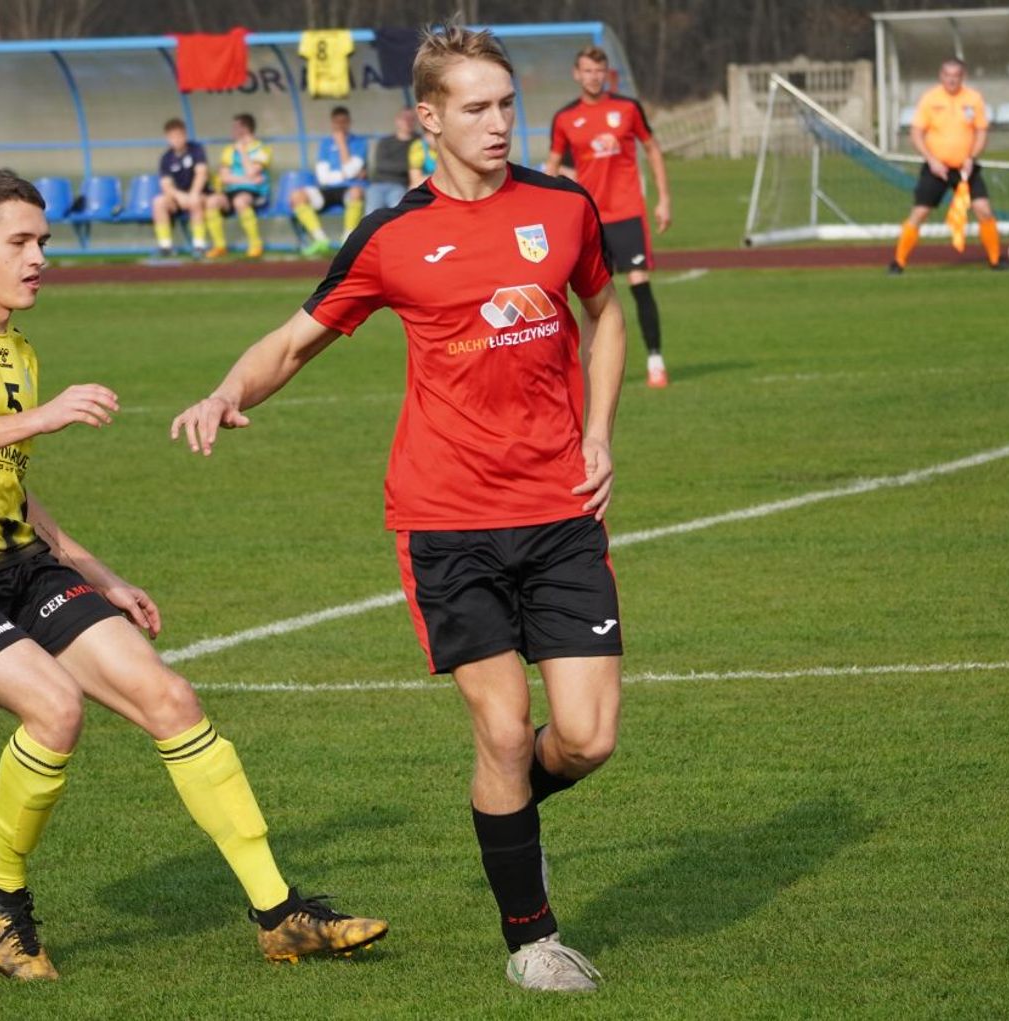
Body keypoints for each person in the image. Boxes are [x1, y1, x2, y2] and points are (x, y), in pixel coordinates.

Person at [171, 22, 627, 994]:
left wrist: (599, 432)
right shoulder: (392, 236)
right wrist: (226, 392)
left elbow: (607, 313)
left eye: (507, 104)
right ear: (429, 118)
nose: (499, 123)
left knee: (587, 736)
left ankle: (508, 813)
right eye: (476, 107)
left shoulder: (564, 206)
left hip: (559, 509)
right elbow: (293, 341)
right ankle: (532, 940)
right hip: (446, 518)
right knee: (501, 728)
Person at [0, 169, 387, 981]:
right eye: (20, 241)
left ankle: (280, 915)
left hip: (21, 562)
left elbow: (9, 487)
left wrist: (95, 570)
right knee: (55, 707)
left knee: (169, 697)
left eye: (43, 240)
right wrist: (46, 416)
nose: (39, 256)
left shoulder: (18, 351)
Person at [545, 46, 673, 388]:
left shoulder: (627, 108)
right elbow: (553, 165)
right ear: (577, 74)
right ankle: (585, 367)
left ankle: (656, 361)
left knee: (639, 283)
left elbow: (653, 148)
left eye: (599, 71)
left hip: (628, 212)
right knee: (591, 298)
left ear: (607, 73)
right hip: (589, 218)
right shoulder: (565, 118)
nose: (593, 77)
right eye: (587, 71)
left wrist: (664, 199)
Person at [889, 58, 1008, 275]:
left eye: (956, 76)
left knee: (983, 209)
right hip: (937, 169)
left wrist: (971, 157)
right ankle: (898, 262)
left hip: (966, 168)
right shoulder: (930, 98)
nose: (952, 80)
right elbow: (916, 133)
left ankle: (995, 259)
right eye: (947, 75)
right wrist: (931, 160)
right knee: (919, 212)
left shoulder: (973, 98)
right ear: (941, 76)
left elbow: (981, 131)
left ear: (963, 77)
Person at [289, 106, 367, 255]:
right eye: (337, 122)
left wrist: (342, 144)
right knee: (297, 196)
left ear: (349, 122)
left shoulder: (359, 143)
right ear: (332, 124)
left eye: (344, 122)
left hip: (349, 189)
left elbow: (350, 171)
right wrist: (346, 174)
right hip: (327, 189)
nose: (340, 126)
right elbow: (323, 178)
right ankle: (320, 240)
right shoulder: (325, 143)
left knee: (356, 192)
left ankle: (347, 241)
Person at [204, 113, 273, 259]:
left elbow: (251, 171)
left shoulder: (262, 149)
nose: (232, 131)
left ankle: (255, 244)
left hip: (255, 192)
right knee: (211, 201)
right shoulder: (229, 150)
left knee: (240, 201)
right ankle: (220, 246)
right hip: (233, 189)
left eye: (235, 127)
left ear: (245, 129)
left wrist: (242, 152)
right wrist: (248, 180)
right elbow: (224, 177)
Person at [152, 118, 211, 258]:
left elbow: (201, 173)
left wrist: (193, 194)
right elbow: (166, 184)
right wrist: (179, 196)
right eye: (172, 137)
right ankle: (165, 246)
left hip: (198, 194)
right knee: (158, 202)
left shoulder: (196, 150)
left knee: (196, 200)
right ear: (167, 138)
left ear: (185, 135)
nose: (177, 139)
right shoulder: (166, 158)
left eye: (179, 135)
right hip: (178, 198)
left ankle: (199, 245)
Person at [366, 108, 420, 211]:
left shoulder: (419, 142)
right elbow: (381, 165)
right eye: (404, 118)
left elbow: (419, 165)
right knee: (371, 213)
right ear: (397, 120)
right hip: (378, 185)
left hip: (401, 185)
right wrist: (408, 166)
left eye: (411, 119)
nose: (408, 122)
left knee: (397, 210)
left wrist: (407, 167)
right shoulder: (385, 142)